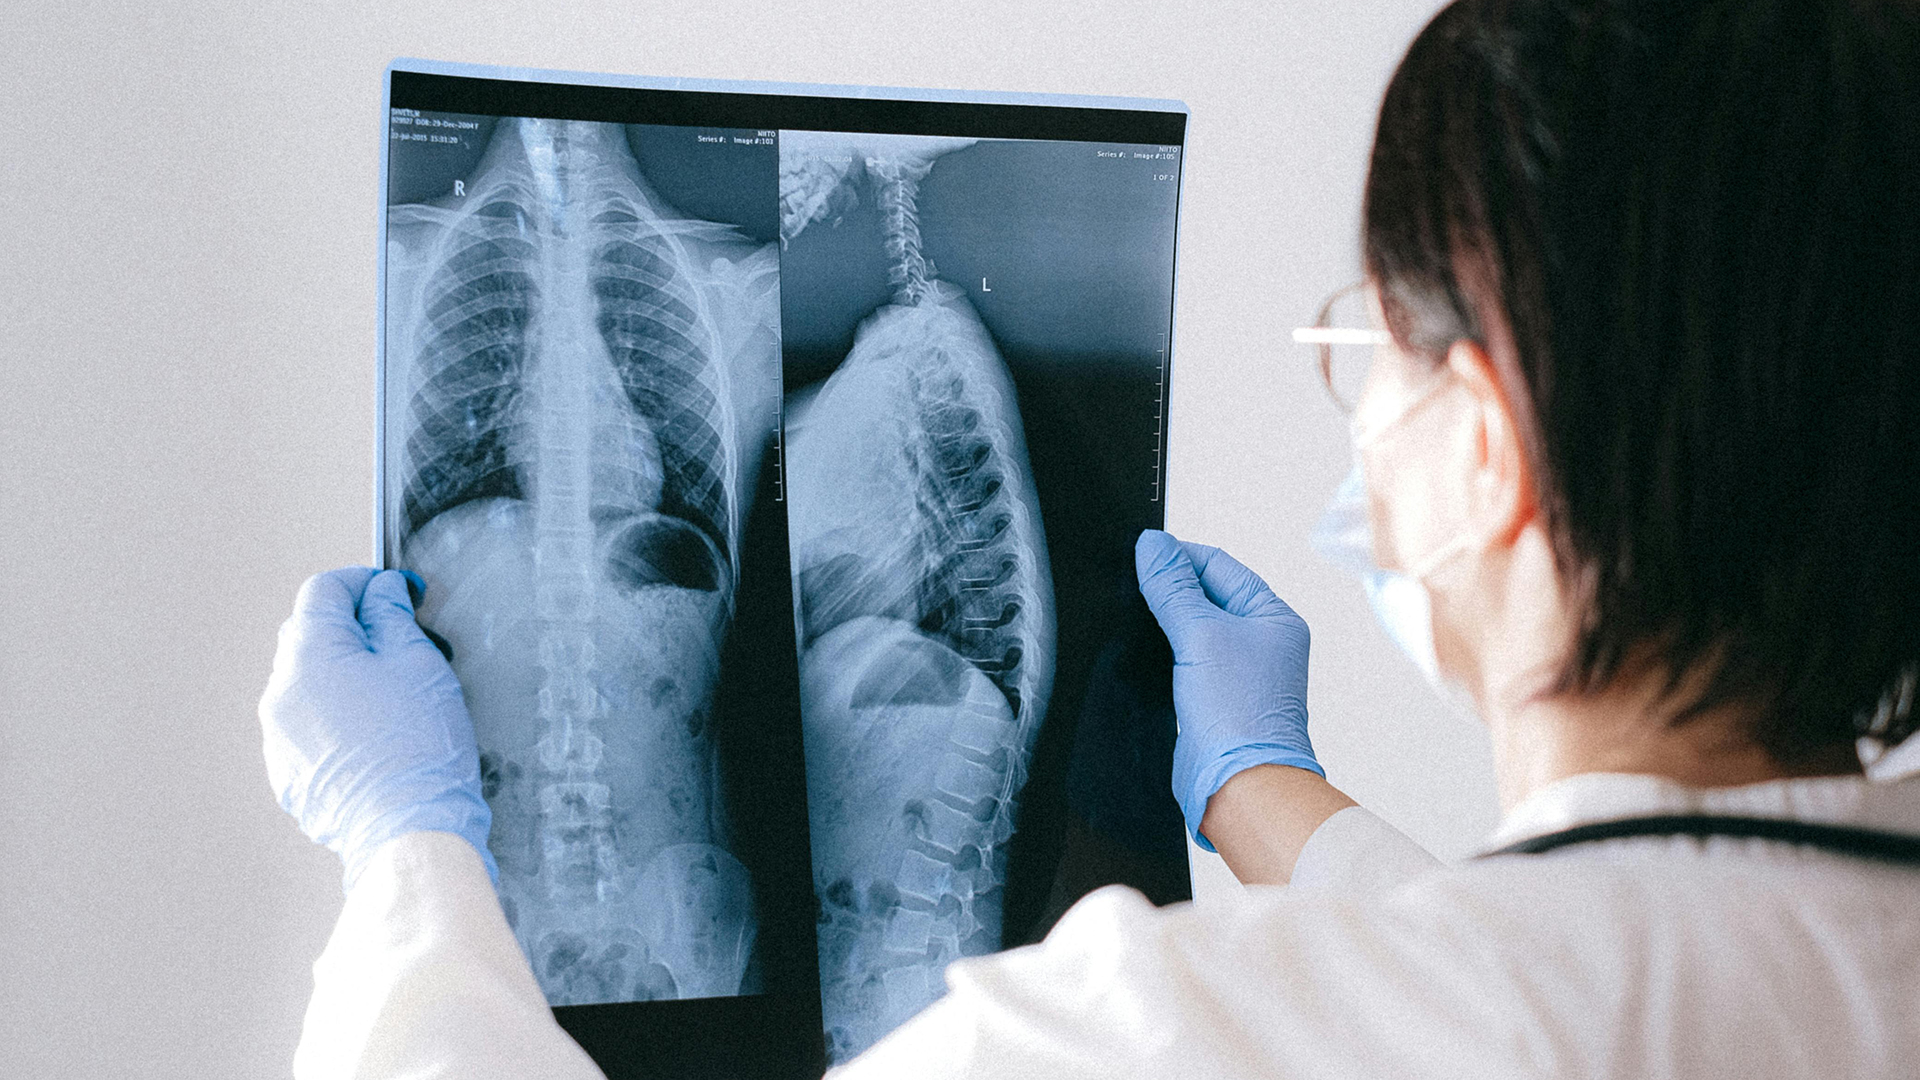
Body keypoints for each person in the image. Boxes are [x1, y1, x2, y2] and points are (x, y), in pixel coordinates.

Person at [260, 0, 1920, 1076]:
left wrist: (404, 852)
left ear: (1486, 452)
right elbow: (1620, 983)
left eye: (1376, 346)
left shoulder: (1154, 1041)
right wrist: (1274, 799)